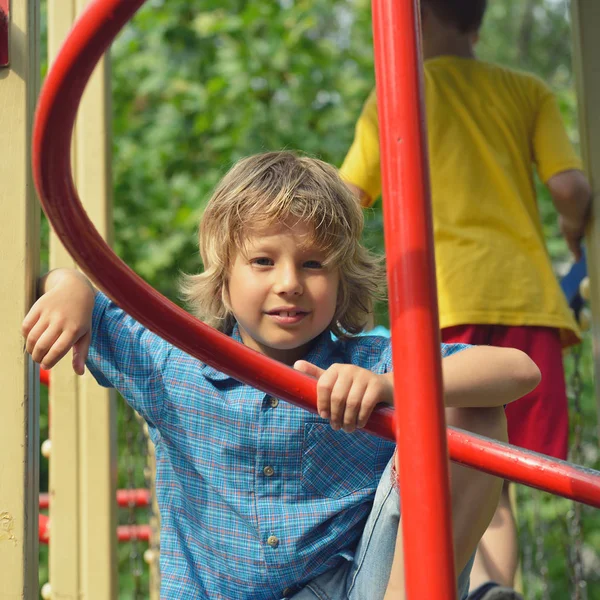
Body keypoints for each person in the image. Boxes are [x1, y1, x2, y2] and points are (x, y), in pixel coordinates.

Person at [22, 151, 541, 600]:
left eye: (314, 264)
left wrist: (388, 388)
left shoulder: (367, 364)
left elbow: (519, 370)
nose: (289, 283)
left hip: (357, 586)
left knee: (468, 405)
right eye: (264, 261)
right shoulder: (174, 363)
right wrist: (70, 286)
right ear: (224, 279)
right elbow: (67, 287)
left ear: (343, 279)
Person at [339, 1, 592, 599]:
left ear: (413, 19)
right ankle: (493, 588)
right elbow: (570, 187)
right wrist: (577, 234)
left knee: (452, 459)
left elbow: (344, 199)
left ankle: (475, 585)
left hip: (438, 304)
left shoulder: (394, 95)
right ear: (478, 23)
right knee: (498, 474)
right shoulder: (525, 91)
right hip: (526, 299)